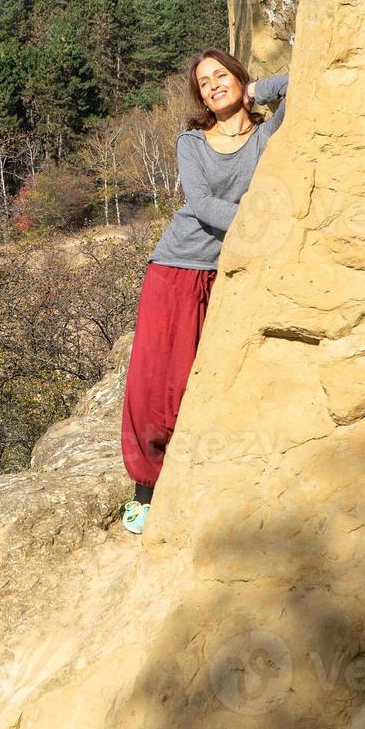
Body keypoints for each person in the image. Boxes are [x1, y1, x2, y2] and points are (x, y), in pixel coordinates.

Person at [119, 48, 290, 534]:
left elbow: (304, 86)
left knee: (206, 377)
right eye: (205, 82)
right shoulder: (191, 141)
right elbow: (200, 201)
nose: (214, 85)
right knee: (156, 379)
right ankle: (145, 490)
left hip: (230, 272)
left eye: (223, 75)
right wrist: (255, 227)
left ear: (239, 78)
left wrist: (261, 90)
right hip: (176, 266)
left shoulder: (267, 135)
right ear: (199, 96)